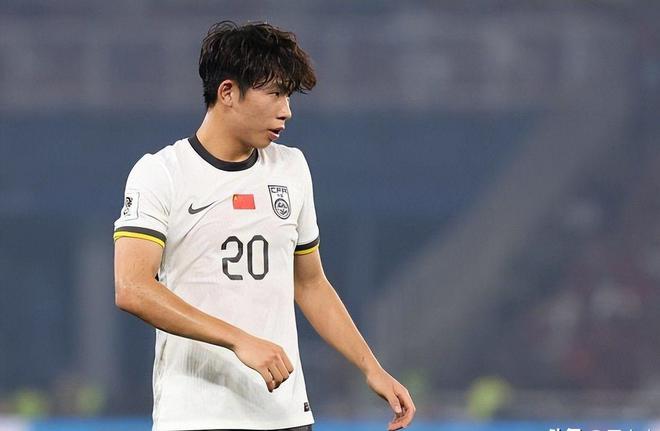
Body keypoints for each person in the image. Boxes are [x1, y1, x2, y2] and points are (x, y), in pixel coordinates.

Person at [113, 21, 415, 431]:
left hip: (284, 415)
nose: (286, 110)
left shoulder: (292, 168)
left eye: (288, 96)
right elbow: (132, 288)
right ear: (227, 92)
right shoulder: (161, 173)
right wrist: (239, 339)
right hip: (196, 415)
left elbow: (310, 284)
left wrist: (371, 368)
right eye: (274, 93)